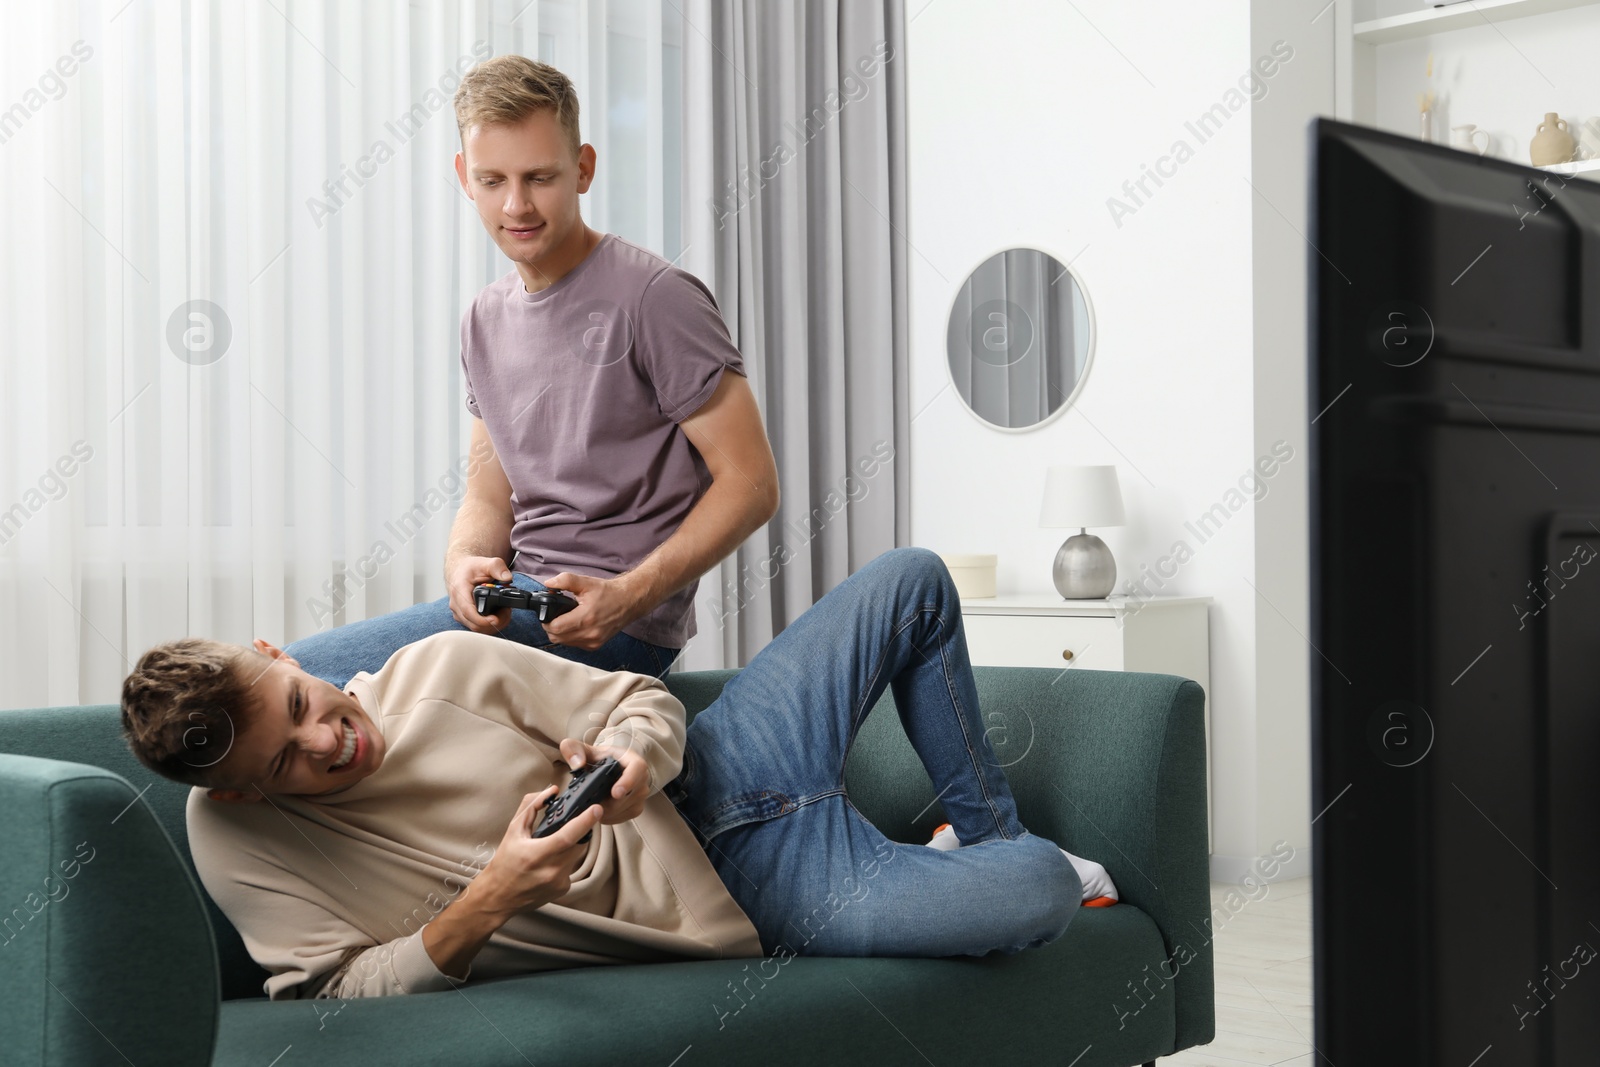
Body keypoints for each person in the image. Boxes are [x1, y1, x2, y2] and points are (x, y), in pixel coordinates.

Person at [119, 548, 1118, 1001]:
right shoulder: (236, 839)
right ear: (243, 791)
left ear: (280, 654)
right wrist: (492, 897)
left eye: (303, 705)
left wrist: (635, 759)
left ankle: (973, 834)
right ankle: (974, 864)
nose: (328, 741)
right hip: (756, 891)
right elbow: (338, 985)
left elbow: (637, 698)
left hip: (728, 761)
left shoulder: (439, 667)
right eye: (287, 761)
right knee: (1036, 888)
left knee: (910, 578)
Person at [285, 54, 779, 687]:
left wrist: (628, 595)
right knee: (286, 684)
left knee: (296, 679)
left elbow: (752, 485)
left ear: (584, 168)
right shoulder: (483, 319)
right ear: (464, 177)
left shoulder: (656, 296)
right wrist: (464, 560)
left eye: (539, 177)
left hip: (617, 627)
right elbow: (490, 492)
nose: (516, 205)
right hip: (515, 604)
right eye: (493, 181)